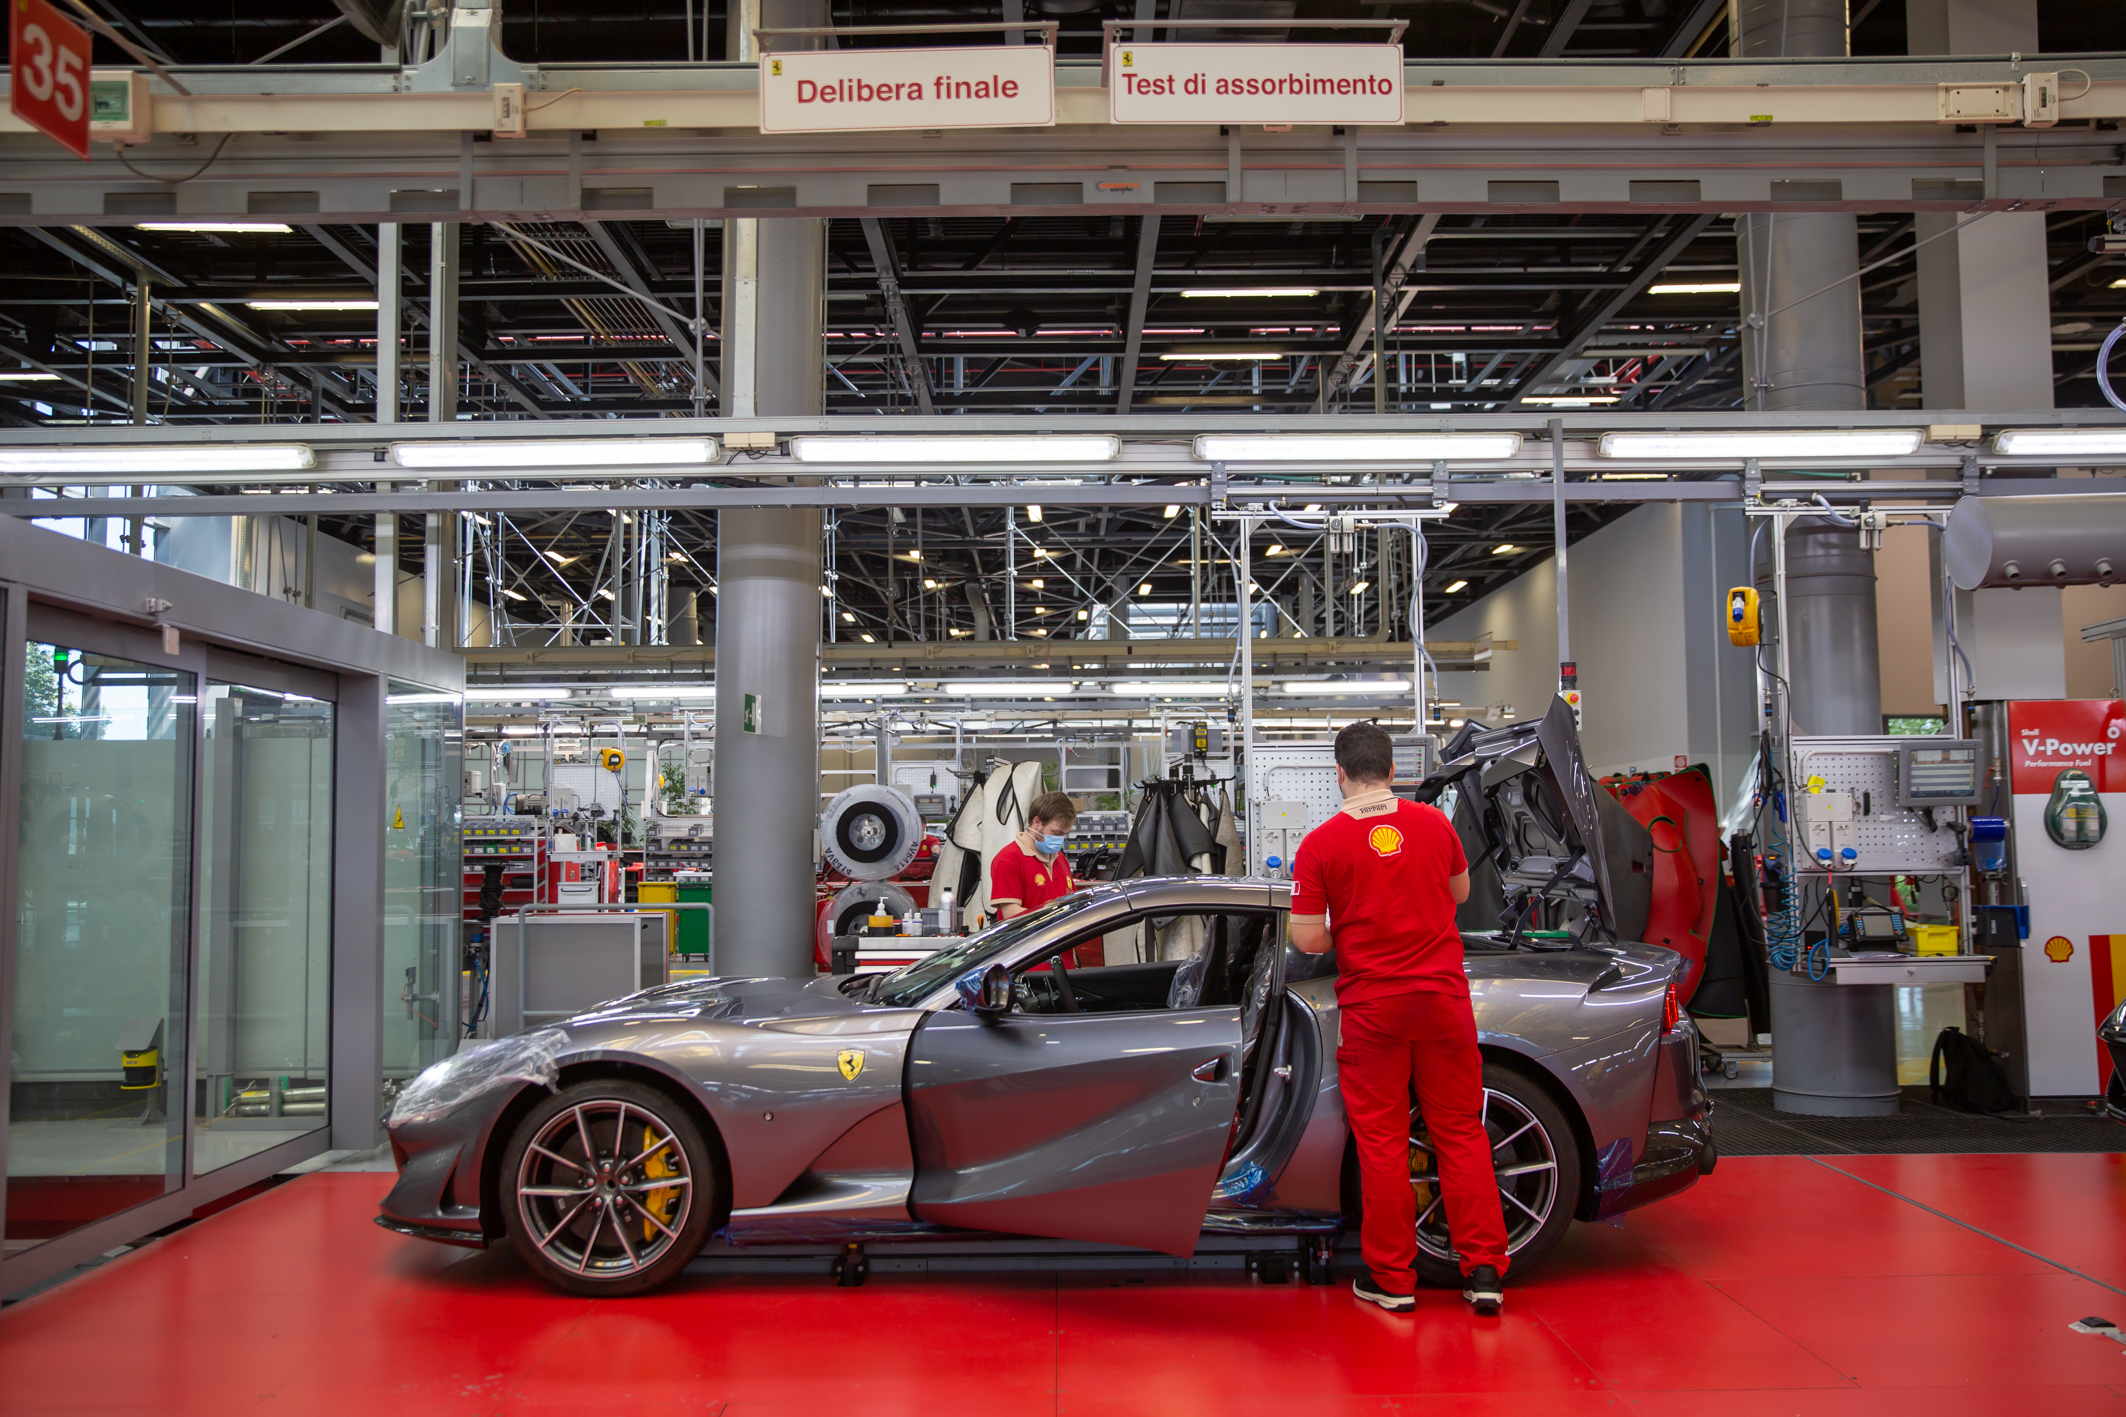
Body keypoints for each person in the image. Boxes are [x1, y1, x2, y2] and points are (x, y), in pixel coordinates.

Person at [1288, 721, 1509, 1317]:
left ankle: (1393, 1280)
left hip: (1374, 1009)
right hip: (1442, 1002)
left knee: (1382, 1143)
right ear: (1392, 771)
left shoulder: (1321, 844)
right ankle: (1485, 1270)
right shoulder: (1435, 824)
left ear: (1338, 774)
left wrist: (1356, 927)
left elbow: (1307, 939)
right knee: (1460, 1132)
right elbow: (1460, 895)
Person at [989, 790, 1078, 922]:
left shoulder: (1059, 858)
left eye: (1065, 834)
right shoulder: (1008, 859)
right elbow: (1011, 914)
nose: (1060, 839)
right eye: (1056, 833)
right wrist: (1051, 915)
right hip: (1029, 936)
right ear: (1037, 823)